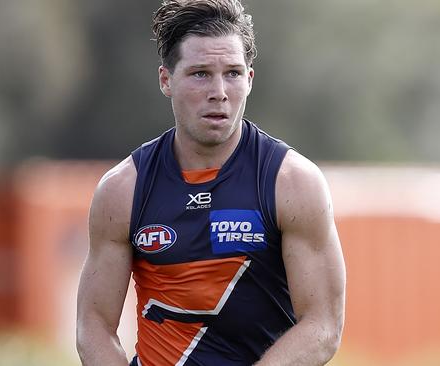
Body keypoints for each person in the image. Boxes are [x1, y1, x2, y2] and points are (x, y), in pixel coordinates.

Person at [76, 0, 346, 365]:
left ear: (250, 80)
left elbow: (322, 326)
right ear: (166, 80)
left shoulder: (292, 183)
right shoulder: (123, 189)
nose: (219, 91)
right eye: (201, 73)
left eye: (233, 73)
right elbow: (93, 325)